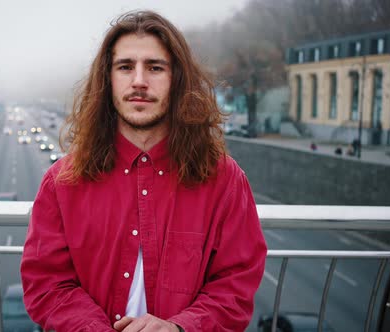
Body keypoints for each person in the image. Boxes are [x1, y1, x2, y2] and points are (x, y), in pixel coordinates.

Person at [20, 10, 267, 332]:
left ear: (176, 79)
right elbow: (47, 283)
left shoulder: (224, 179)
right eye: (125, 67)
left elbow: (236, 283)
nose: (139, 80)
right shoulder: (62, 182)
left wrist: (180, 328)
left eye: (154, 67)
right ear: (107, 80)